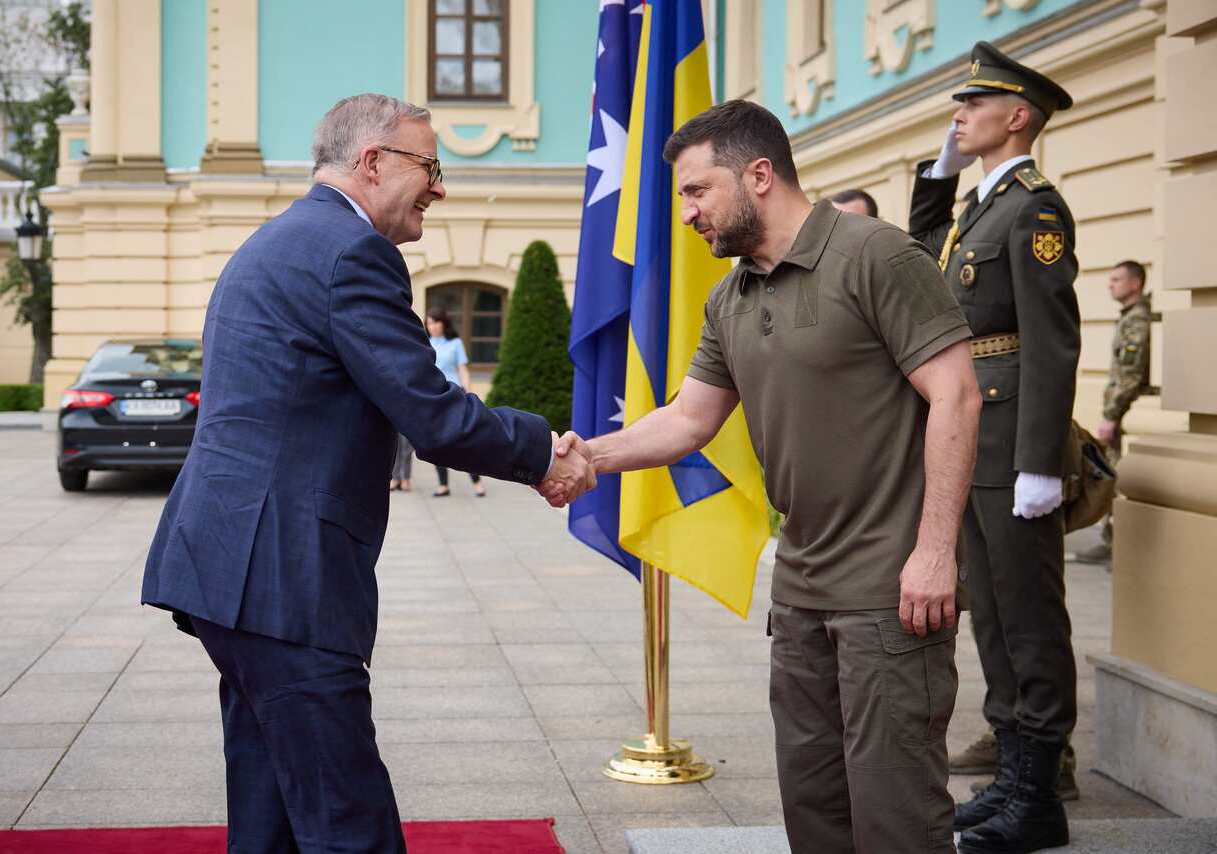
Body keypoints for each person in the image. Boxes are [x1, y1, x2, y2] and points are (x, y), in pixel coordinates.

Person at [140, 93, 593, 854]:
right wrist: (545, 452)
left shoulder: (280, 239)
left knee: (271, 799)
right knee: (348, 820)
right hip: (283, 577)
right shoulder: (353, 253)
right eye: (431, 166)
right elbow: (431, 411)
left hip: (229, 565)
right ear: (373, 162)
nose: (440, 187)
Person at [550, 99, 981, 854]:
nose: (686, 214)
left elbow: (957, 395)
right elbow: (688, 420)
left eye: (695, 191)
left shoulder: (877, 256)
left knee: (897, 815)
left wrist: (937, 549)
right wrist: (585, 456)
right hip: (802, 587)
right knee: (813, 806)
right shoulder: (730, 297)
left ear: (758, 175)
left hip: (890, 591)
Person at [908, 41, 1081, 853]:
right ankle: (1011, 777)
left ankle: (1040, 794)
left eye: (972, 106)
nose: (959, 114)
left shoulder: (1033, 207)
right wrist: (938, 175)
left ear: (1017, 117)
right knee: (993, 622)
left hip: (1013, 440)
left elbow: (1051, 343)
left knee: (1030, 619)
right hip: (974, 433)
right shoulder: (982, 204)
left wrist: (1041, 461)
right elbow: (922, 254)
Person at [1075, 260, 1151, 564]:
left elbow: (1131, 373)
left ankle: (1116, 545)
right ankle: (1111, 542)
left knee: (1116, 476)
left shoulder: (1137, 321)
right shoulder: (1129, 318)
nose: (1110, 284)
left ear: (1135, 284)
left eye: (1117, 279)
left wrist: (1112, 413)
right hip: (1122, 413)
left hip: (1125, 412)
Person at [425, 306, 486, 497]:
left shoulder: (455, 343)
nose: (432, 326)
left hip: (455, 393)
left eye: (435, 322)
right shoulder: (424, 343)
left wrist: (469, 393)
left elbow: (463, 370)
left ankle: (476, 481)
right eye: (429, 323)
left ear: (443, 323)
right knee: (436, 442)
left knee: (464, 439)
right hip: (434, 396)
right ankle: (443, 484)